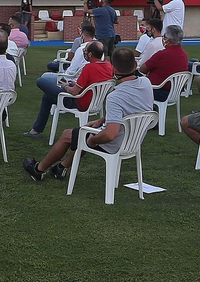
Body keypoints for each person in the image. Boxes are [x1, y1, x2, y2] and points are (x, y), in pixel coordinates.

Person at [23, 45, 154, 182]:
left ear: (114, 68)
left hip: (116, 142)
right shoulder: (146, 83)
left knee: (69, 135)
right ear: (135, 64)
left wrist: (93, 140)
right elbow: (136, 110)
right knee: (84, 132)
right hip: (135, 138)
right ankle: (61, 167)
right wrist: (104, 119)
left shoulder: (115, 96)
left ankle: (39, 170)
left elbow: (110, 134)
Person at [27, 40, 110, 137]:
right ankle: (36, 130)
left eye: (85, 51)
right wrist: (73, 84)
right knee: (47, 97)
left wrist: (65, 86)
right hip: (95, 102)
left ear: (90, 54)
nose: (84, 53)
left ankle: (36, 130)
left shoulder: (89, 68)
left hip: (78, 101)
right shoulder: (108, 66)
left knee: (41, 81)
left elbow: (74, 92)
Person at [143, 25, 190, 101]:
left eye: (164, 36)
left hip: (158, 91)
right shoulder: (184, 54)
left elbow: (143, 69)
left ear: (168, 40)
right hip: (175, 92)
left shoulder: (162, 54)